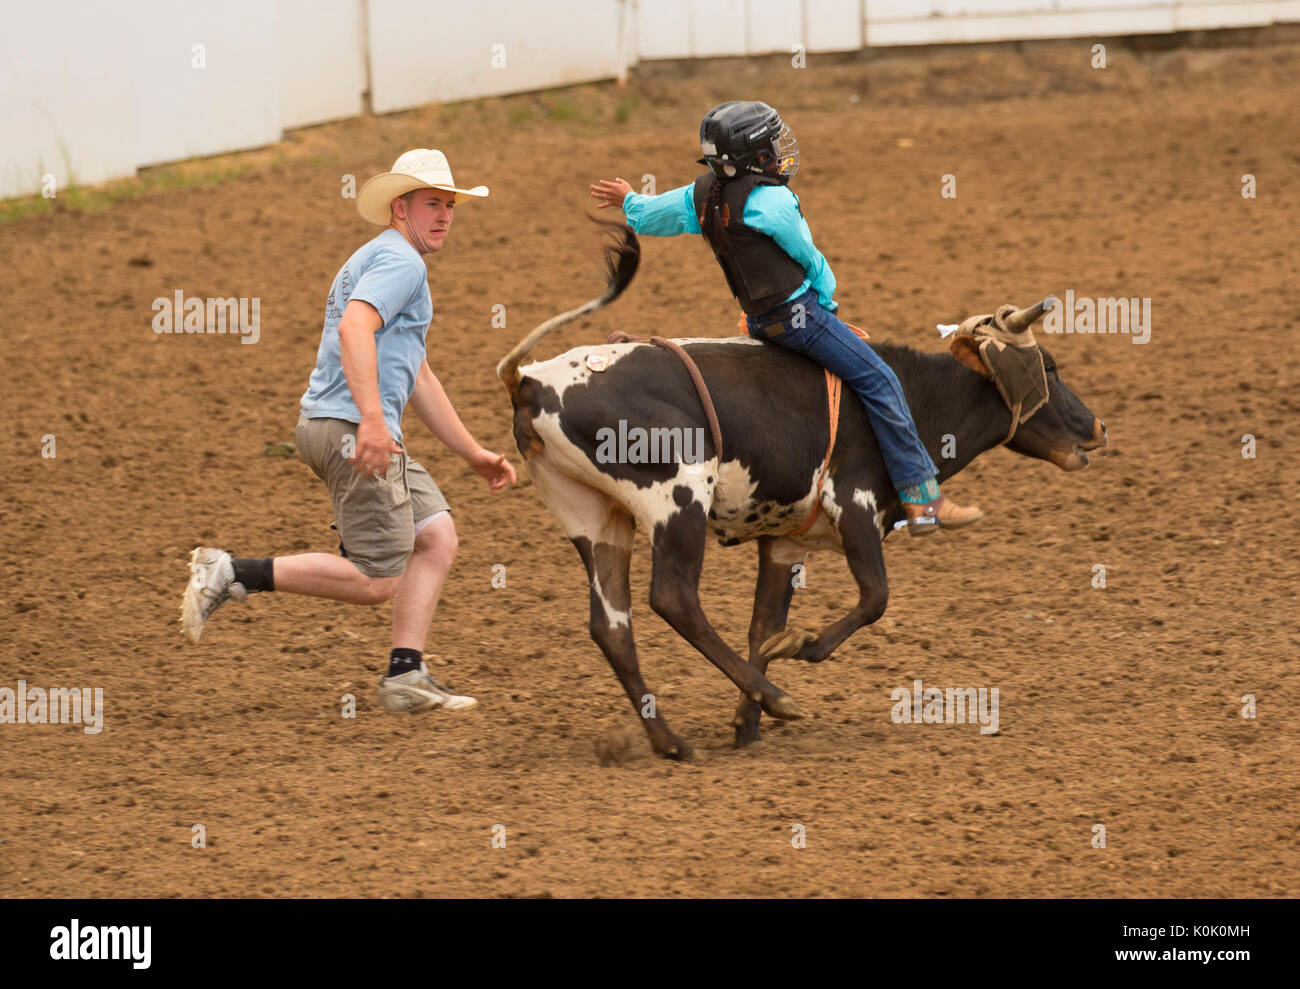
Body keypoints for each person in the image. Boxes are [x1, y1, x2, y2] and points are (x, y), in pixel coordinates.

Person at [180, 149, 517, 713]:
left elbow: (417, 374)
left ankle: (405, 676)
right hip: (349, 428)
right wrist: (372, 421)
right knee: (374, 579)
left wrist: (472, 453)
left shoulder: (381, 256)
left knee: (435, 536)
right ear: (399, 206)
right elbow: (355, 327)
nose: (445, 215)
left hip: (342, 424)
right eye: (432, 203)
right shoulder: (401, 264)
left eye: (449, 205)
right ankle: (231, 572)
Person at [590, 101, 982, 534]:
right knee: (880, 378)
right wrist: (829, 307)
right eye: (773, 146)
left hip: (759, 320)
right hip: (801, 318)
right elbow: (810, 262)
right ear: (755, 157)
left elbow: (652, 216)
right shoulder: (774, 201)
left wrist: (629, 201)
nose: (780, 153)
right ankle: (923, 500)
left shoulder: (701, 195)